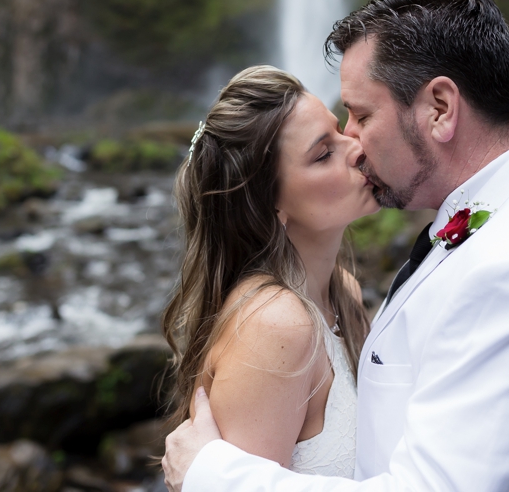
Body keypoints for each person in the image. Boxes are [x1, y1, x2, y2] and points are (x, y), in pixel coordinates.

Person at [163, 0, 509, 492]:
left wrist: (213, 477)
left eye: (362, 115)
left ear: (440, 108)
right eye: (327, 144)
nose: (353, 140)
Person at [161, 67, 375, 475]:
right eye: (323, 153)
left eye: (340, 130)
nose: (357, 148)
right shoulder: (275, 326)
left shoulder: (342, 292)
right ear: (271, 206)